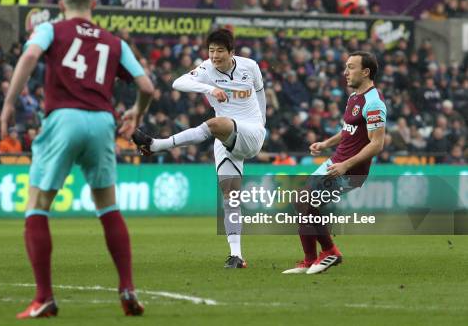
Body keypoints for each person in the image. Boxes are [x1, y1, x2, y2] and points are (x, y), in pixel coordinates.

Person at [0, 0, 154, 318]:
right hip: (102, 121)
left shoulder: (52, 30)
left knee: (38, 205)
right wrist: (136, 113)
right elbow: (146, 85)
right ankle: (127, 287)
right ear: (93, 6)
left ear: (61, 6)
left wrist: (10, 103)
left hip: (64, 118)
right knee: (108, 206)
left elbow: (29, 57)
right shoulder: (114, 41)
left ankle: (44, 298)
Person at [132, 28, 267, 269]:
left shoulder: (250, 67)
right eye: (211, 50)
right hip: (226, 139)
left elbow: (260, 93)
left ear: (231, 52)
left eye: (220, 51)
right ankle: (236, 255)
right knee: (230, 196)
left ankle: (156, 145)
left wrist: (262, 123)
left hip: (251, 131)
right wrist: (209, 89)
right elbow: (178, 82)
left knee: (216, 122)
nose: (215, 56)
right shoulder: (206, 69)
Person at [282, 51, 386, 275]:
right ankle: (311, 259)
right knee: (302, 203)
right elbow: (348, 131)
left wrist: (346, 166)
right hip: (335, 161)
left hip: (350, 170)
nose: (345, 72)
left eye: (351, 67)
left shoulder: (374, 103)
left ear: (366, 72)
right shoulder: (354, 97)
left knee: (306, 202)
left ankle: (329, 251)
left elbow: (377, 144)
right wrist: (326, 143)